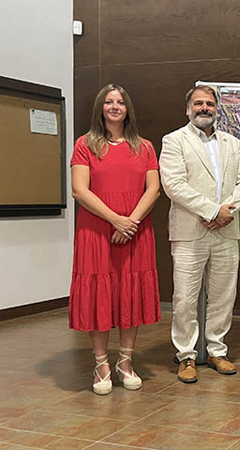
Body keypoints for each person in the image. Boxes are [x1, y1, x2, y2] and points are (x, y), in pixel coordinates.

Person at [69, 84, 161, 395]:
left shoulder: (145, 147)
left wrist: (130, 222)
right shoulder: (85, 144)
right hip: (97, 232)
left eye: (120, 101)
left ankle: (125, 362)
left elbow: (154, 189)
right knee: (99, 296)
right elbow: (80, 190)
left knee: (129, 294)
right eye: (108, 101)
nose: (114, 106)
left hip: (134, 232)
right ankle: (101, 364)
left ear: (128, 109)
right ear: (100, 108)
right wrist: (116, 220)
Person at [160, 85, 240, 383]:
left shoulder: (232, 143)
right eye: (198, 103)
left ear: (216, 108)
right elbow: (173, 185)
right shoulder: (174, 141)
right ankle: (185, 355)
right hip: (190, 232)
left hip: (226, 231)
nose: (204, 108)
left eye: (209, 104)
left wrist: (228, 211)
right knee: (185, 298)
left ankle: (217, 351)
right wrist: (213, 211)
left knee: (224, 296)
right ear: (188, 109)